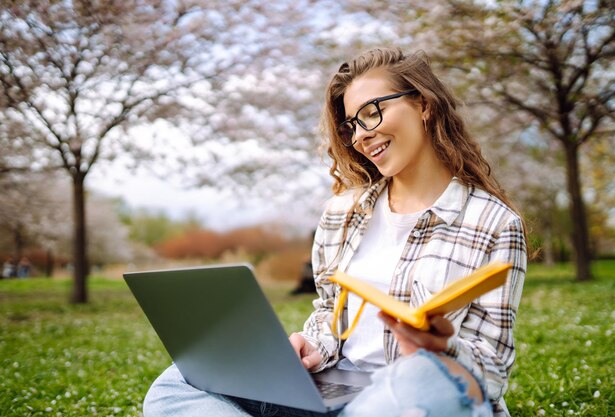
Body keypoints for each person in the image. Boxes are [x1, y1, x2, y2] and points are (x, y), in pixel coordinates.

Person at [143, 48, 527, 417]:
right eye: (352, 125)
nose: (361, 136)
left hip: (418, 392)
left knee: (418, 383)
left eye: (372, 112)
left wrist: (445, 347)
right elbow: (330, 313)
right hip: (334, 390)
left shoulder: (494, 223)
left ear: (424, 104)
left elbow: (492, 370)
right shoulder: (341, 212)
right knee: (178, 383)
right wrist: (310, 346)